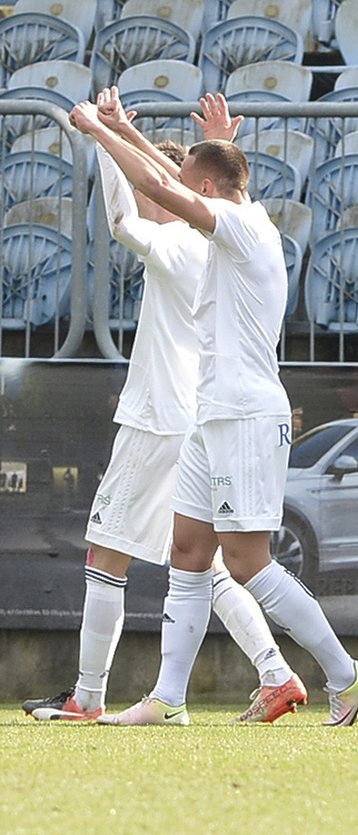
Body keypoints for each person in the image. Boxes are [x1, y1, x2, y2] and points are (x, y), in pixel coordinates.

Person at [68, 90, 358, 726]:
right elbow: (180, 176)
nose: (179, 197)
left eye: (192, 187)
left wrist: (100, 132)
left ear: (207, 187)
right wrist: (127, 126)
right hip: (211, 414)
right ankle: (168, 697)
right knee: (187, 550)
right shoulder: (236, 214)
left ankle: (346, 674)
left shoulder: (236, 226)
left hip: (245, 414)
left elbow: (158, 182)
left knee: (246, 563)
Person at [21, 93, 300, 725]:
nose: (157, 195)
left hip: (159, 418)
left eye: (166, 186)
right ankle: (276, 672)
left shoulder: (177, 245)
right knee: (203, 564)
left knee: (106, 550)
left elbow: (128, 217)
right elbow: (198, 185)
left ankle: (87, 697)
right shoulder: (219, 238)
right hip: (197, 419)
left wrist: (100, 140)